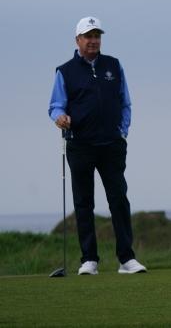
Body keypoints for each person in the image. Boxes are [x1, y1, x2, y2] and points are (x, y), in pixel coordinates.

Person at [48, 16, 147, 275]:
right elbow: (56, 105)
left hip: (111, 144)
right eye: (88, 36)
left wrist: (122, 131)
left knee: (119, 200)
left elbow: (125, 101)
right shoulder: (65, 71)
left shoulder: (113, 66)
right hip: (80, 144)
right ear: (78, 40)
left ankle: (127, 259)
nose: (93, 41)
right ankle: (89, 260)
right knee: (84, 202)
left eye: (97, 36)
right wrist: (59, 117)